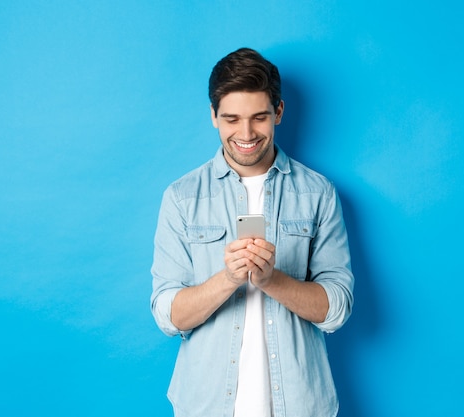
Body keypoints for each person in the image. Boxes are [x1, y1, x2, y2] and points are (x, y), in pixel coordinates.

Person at [150, 47, 354, 417]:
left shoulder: (318, 193)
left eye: (259, 118)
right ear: (213, 116)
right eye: (231, 119)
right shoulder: (182, 198)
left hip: (301, 405)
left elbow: (337, 309)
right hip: (205, 405)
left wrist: (271, 279)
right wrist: (229, 278)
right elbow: (168, 315)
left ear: (278, 112)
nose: (245, 134)